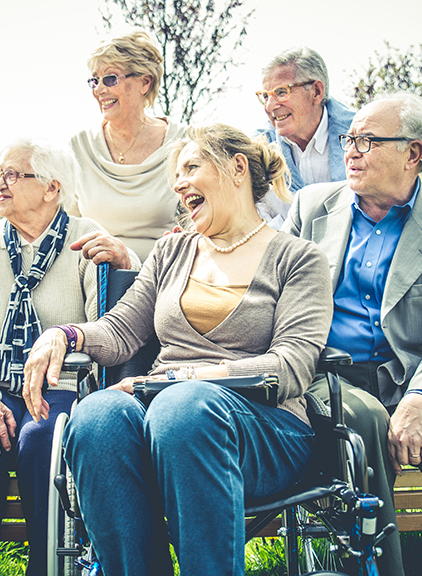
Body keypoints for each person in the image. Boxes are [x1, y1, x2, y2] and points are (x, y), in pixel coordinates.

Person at [23, 124, 332, 576]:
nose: (179, 182)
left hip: (265, 428)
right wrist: (66, 335)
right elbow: (120, 331)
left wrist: (180, 379)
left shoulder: (299, 258)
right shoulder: (173, 250)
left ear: (237, 169)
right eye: (175, 175)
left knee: (184, 407)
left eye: (190, 167)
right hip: (165, 411)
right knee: (97, 416)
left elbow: (291, 366)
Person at [283, 92, 422, 576]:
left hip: (414, 377)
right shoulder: (310, 208)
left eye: (368, 140)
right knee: (360, 420)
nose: (351, 150)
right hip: (332, 379)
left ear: (412, 153)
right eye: (350, 139)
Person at [0, 139, 138, 575]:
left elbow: (108, 324)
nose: (0, 184)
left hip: (63, 386)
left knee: (41, 439)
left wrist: (125, 259)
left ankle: (47, 567)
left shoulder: (84, 237)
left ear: (51, 188)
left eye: (13, 175)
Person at [70, 30, 187, 261]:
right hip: (95, 280)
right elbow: (62, 227)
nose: (99, 89)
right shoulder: (79, 147)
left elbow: (199, 227)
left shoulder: (184, 143)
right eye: (94, 80)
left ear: (145, 82)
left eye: (110, 79)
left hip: (161, 276)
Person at [256, 46, 356, 228]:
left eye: (281, 92)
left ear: (316, 92)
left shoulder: (362, 137)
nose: (270, 106)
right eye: (265, 96)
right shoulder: (257, 148)